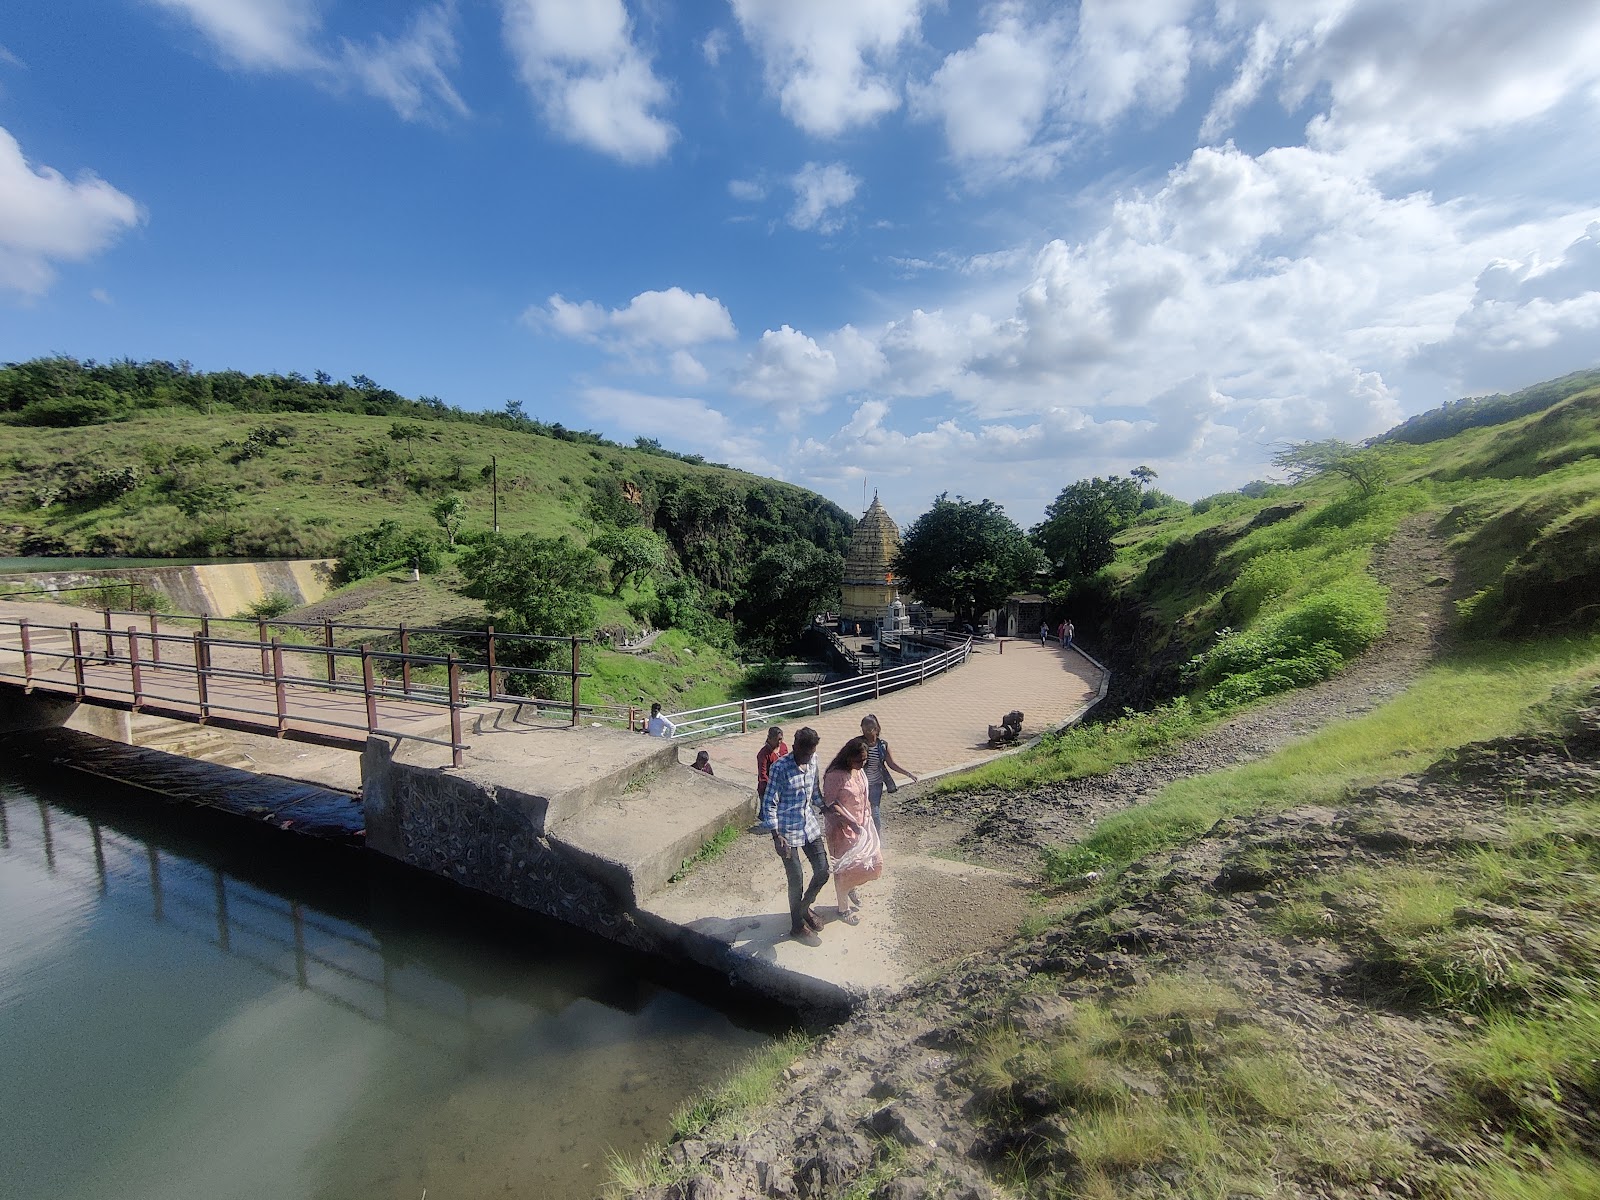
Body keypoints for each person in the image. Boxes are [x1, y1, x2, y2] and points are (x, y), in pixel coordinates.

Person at [759, 727, 829, 944]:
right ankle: (797, 927)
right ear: (795, 746)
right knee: (796, 878)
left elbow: (814, 792)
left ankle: (804, 907)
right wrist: (775, 835)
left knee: (823, 871)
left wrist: (827, 808)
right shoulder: (780, 767)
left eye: (811, 754)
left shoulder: (813, 760)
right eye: (805, 753)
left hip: (808, 824)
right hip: (786, 830)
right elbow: (769, 803)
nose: (808, 758)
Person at [822, 736, 883, 924]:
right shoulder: (835, 775)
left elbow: (865, 796)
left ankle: (850, 888)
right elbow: (830, 803)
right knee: (846, 869)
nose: (862, 764)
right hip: (842, 829)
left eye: (865, 760)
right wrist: (850, 822)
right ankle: (843, 909)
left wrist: (866, 818)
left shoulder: (859, 772)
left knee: (874, 864)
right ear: (848, 758)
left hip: (864, 825)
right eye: (859, 760)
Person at [859, 713, 917, 833]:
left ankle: (877, 841)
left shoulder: (882, 745)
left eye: (869, 729)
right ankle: (864, 840)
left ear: (877, 729)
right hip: (860, 785)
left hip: (876, 784)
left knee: (874, 813)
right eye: (864, 729)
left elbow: (891, 764)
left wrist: (908, 774)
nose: (866, 733)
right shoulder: (858, 744)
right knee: (860, 813)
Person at [756, 726, 788, 797]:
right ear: (769, 739)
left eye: (780, 739)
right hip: (768, 790)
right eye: (776, 740)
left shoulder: (783, 747)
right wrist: (774, 786)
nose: (779, 742)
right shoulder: (763, 754)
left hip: (783, 788)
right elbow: (763, 775)